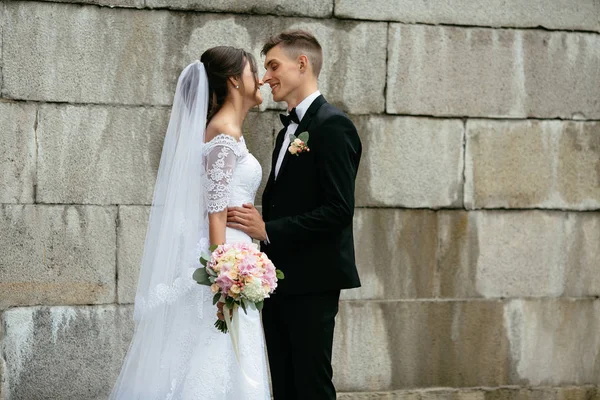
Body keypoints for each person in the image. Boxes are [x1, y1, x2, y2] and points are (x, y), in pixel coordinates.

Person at [110, 46, 271, 400]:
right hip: (227, 261)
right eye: (252, 71)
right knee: (217, 352)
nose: (260, 78)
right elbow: (215, 212)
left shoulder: (226, 133)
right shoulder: (224, 135)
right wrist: (224, 276)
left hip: (234, 255)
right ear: (234, 81)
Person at [227, 30, 362, 400]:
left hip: (312, 282)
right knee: (284, 385)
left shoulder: (334, 126)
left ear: (302, 64)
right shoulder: (285, 133)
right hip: (276, 281)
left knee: (311, 385)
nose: (266, 76)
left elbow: (338, 210)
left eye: (273, 66)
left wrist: (267, 229)